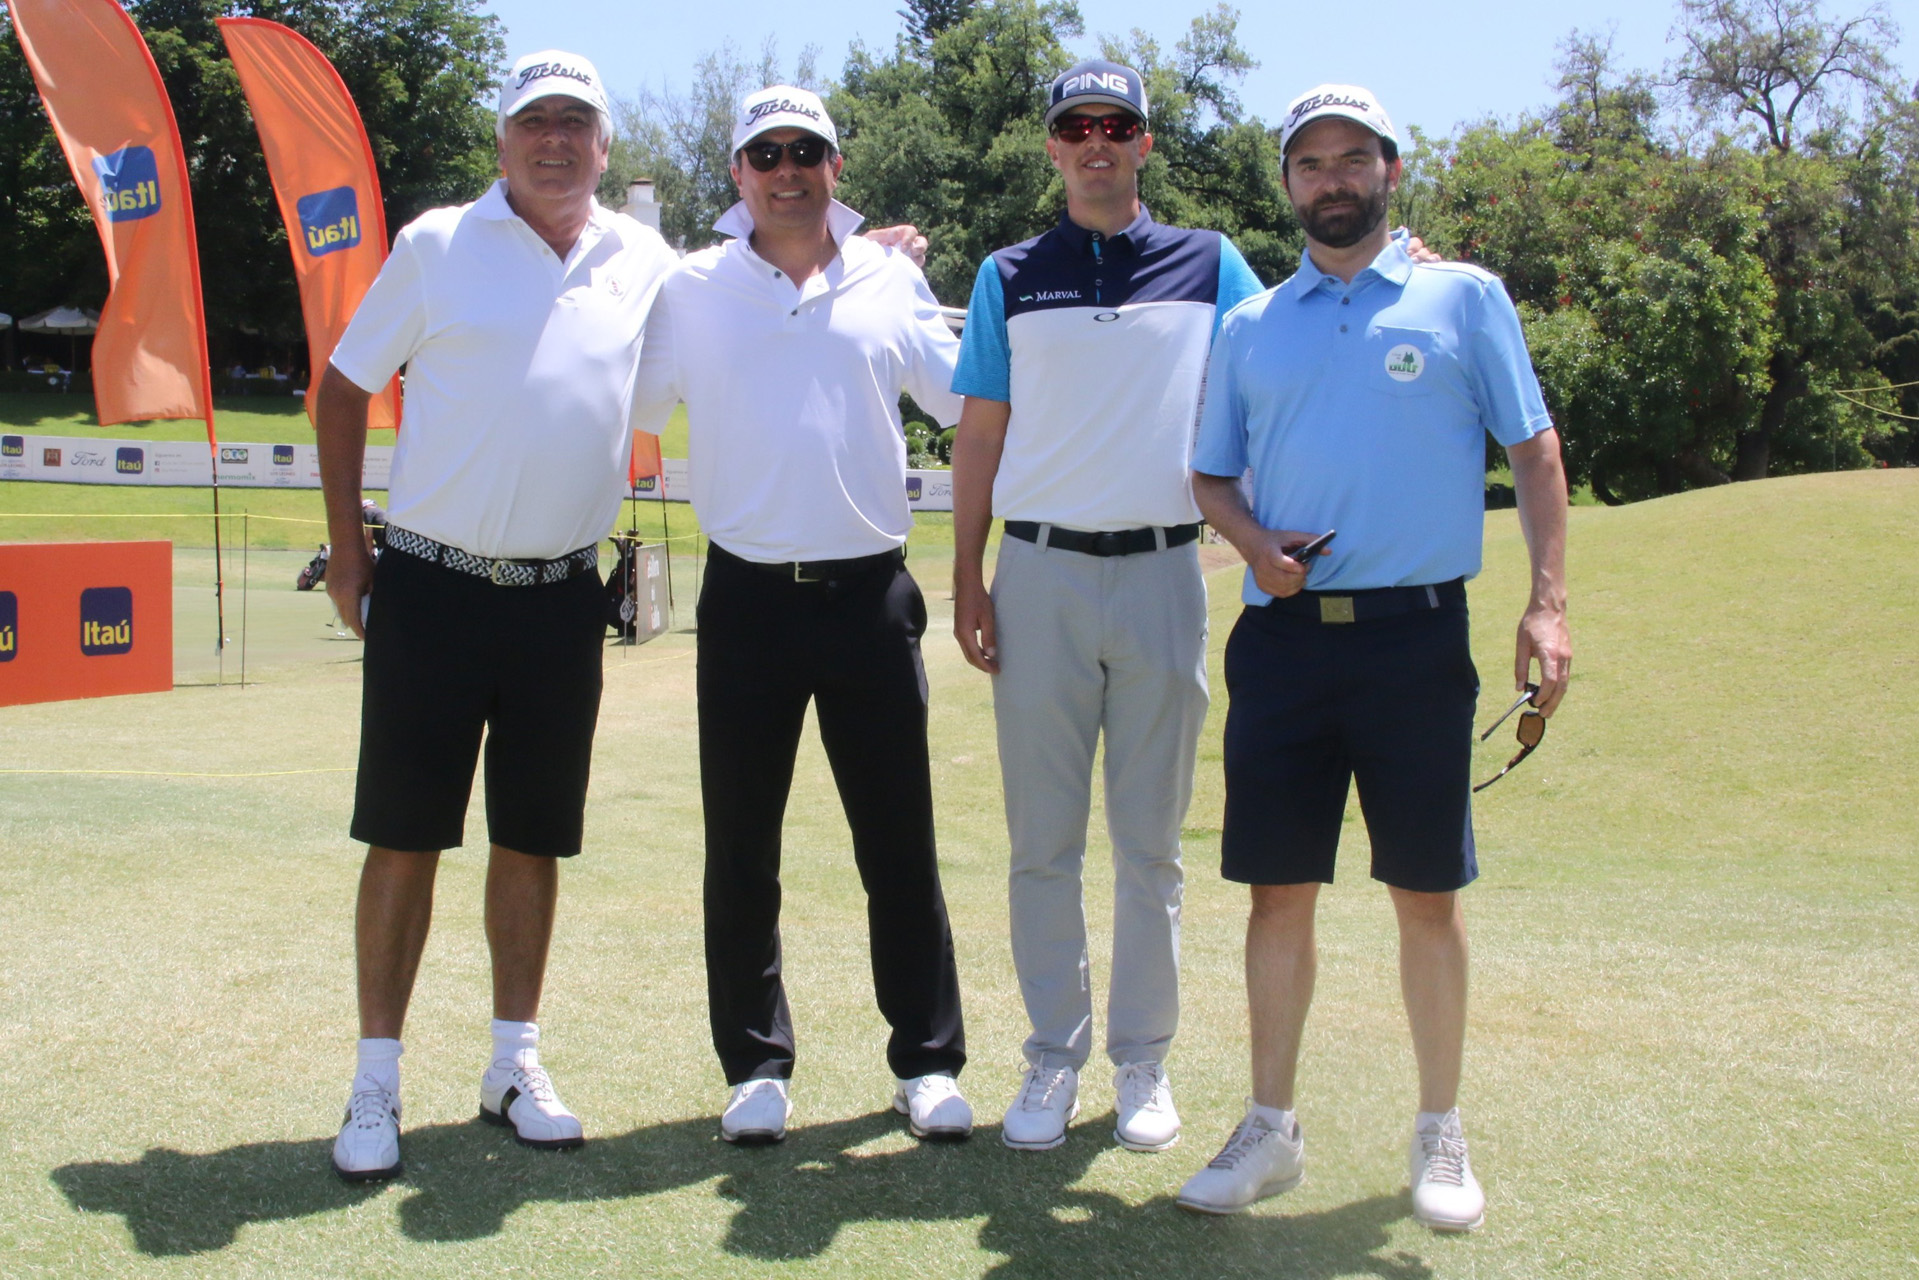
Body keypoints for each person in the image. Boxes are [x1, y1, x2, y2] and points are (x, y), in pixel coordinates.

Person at [1174, 84, 1570, 1230]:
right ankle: (1269, 1127)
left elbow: (1533, 451)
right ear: (1287, 184)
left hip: (1416, 639)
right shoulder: (1251, 324)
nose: (1332, 178)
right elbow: (1209, 475)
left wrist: (1547, 605)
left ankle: (1438, 1127)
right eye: (1310, 163)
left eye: (1353, 157)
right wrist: (1252, 543)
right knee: (1274, 892)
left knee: (1425, 893)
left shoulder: (1462, 297)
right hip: (1284, 643)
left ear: (1389, 170)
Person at [315, 50, 679, 1182]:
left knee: (533, 834)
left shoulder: (644, 260)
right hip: (430, 588)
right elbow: (341, 387)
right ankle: (376, 1077)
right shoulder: (436, 244)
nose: (554, 141)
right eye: (535, 123)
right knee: (404, 834)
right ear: (503, 140)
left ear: (604, 146)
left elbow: (759, 279)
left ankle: (511, 1063)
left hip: (561, 598)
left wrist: (868, 251)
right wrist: (348, 545)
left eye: (576, 123)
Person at [628, 86, 972, 1145]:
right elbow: (625, 400)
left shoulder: (889, 275)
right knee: (742, 846)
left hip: (871, 596)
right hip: (747, 601)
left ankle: (926, 1060)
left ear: (834, 166)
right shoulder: (689, 286)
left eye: (805, 152)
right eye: (765, 154)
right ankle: (755, 1066)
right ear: (737, 173)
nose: (787, 170)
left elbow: (965, 398)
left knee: (897, 843)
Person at [947, 59, 1266, 1154]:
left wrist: (1396, 264)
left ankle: (1142, 1060)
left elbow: (1280, 351)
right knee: (1041, 840)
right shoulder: (1008, 273)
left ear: (1142, 144)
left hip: (1164, 574)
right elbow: (978, 433)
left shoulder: (1209, 263)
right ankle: (1051, 1054)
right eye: (1076, 126)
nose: (1096, 142)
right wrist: (966, 575)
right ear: (1051, 146)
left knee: (1149, 845)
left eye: (1115, 126)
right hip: (1036, 575)